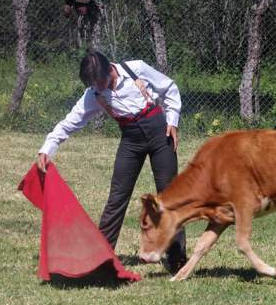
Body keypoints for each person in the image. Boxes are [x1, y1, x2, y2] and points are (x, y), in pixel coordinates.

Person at [35, 50, 187, 273]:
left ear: (110, 69)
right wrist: (47, 148)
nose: (97, 87)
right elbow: (70, 122)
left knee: (169, 196)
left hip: (159, 134)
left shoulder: (136, 68)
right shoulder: (94, 94)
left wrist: (172, 121)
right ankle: (101, 259)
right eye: (92, 84)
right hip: (131, 140)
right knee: (117, 197)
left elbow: (169, 87)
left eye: (99, 81)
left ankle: (177, 259)